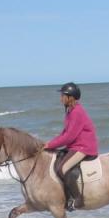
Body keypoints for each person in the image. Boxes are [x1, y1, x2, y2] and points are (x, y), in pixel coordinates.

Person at [44, 82, 98, 210]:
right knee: (57, 162)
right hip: (75, 146)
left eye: (63, 95)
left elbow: (69, 137)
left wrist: (50, 144)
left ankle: (78, 199)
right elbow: (65, 133)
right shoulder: (70, 111)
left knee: (63, 168)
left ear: (70, 97)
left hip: (84, 147)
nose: (60, 98)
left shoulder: (76, 112)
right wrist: (50, 144)